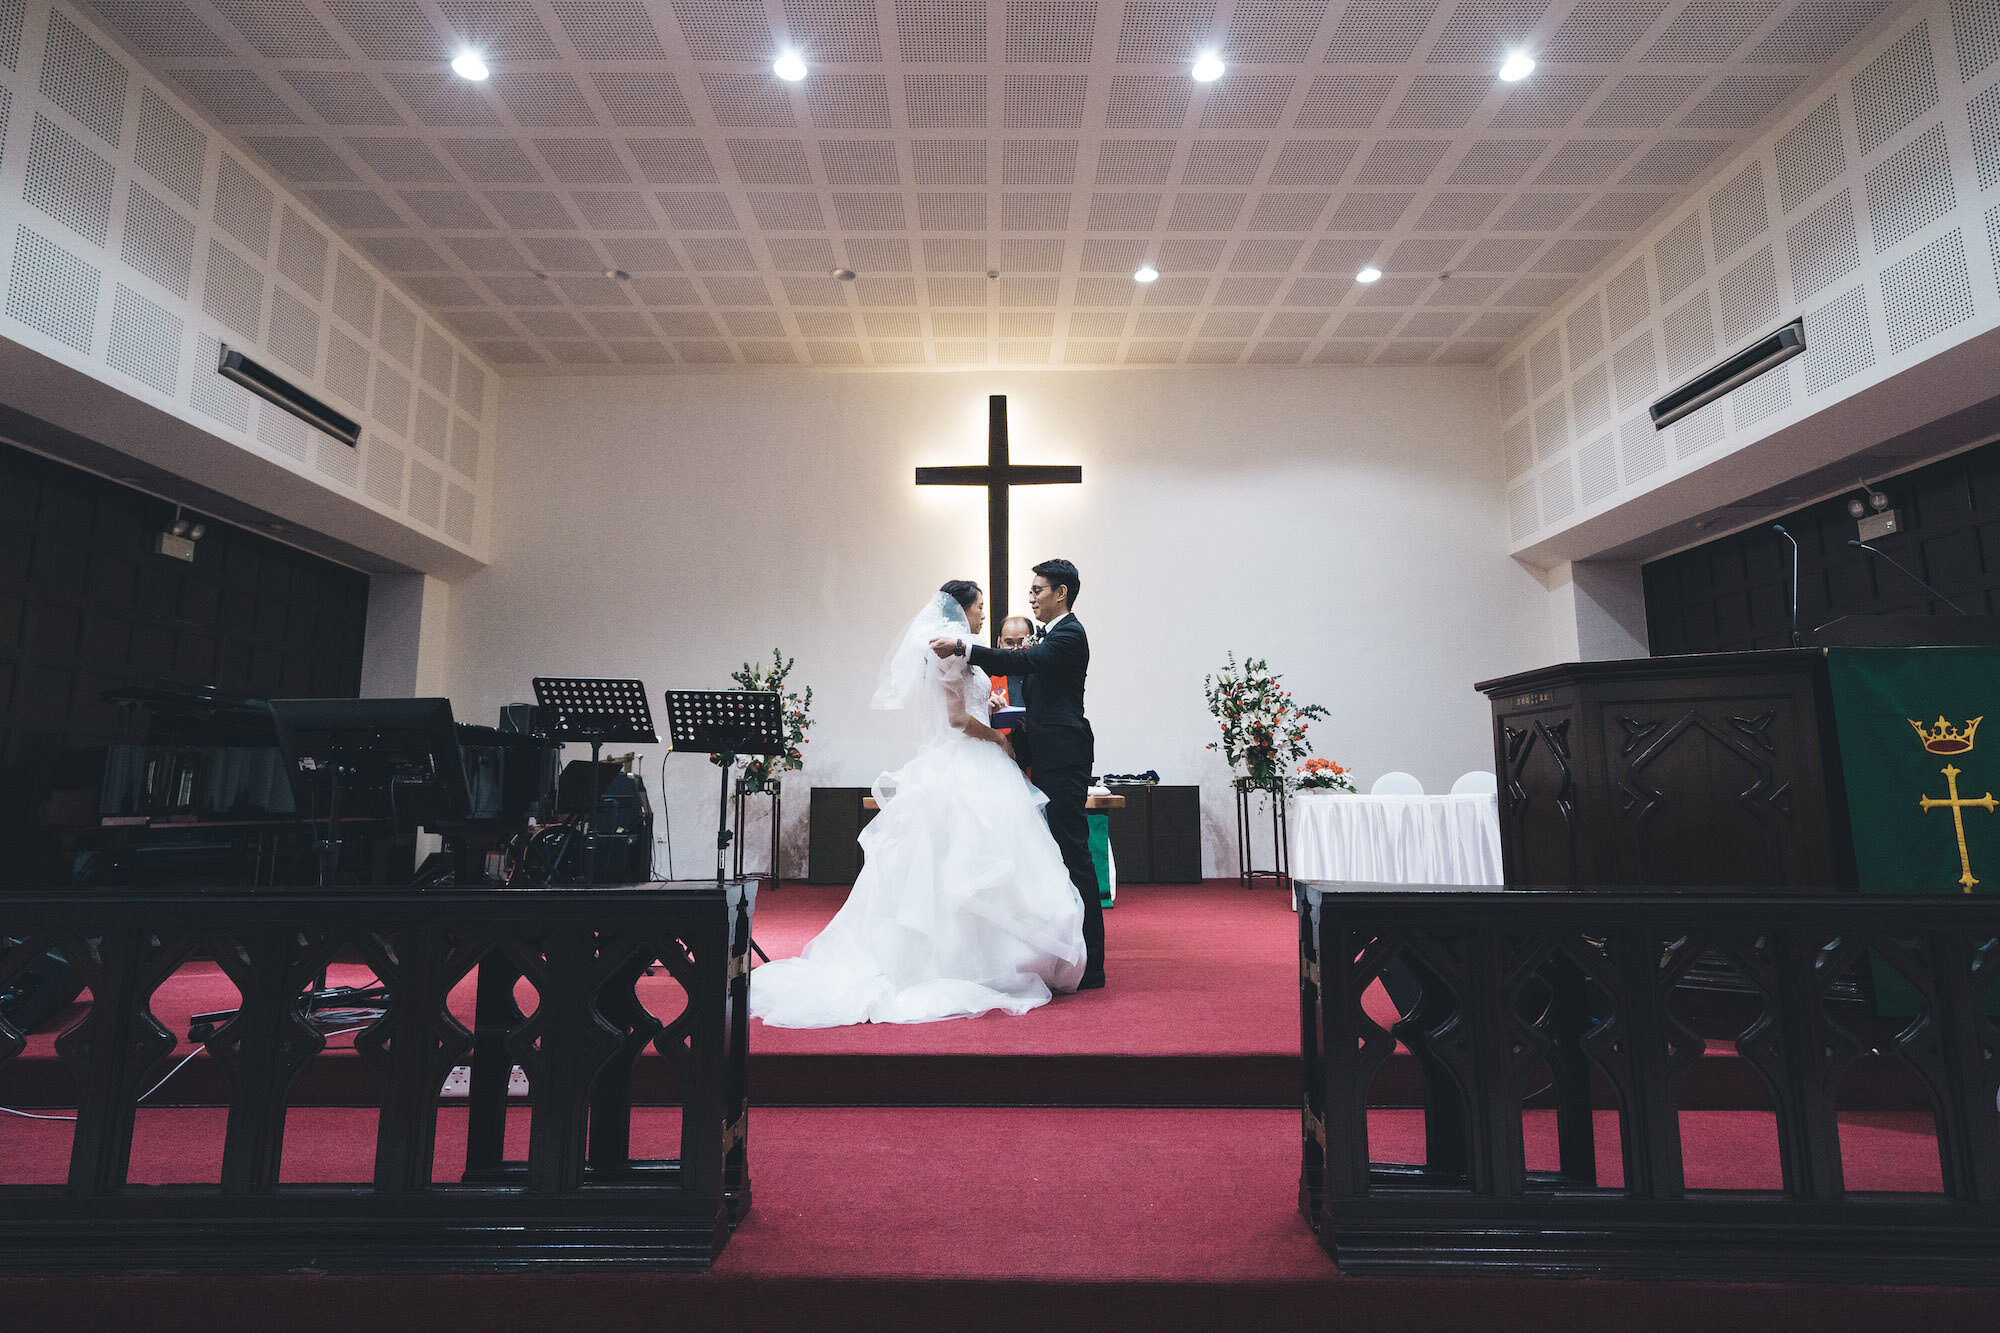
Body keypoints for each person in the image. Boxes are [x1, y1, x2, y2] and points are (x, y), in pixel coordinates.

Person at [748, 580, 1086, 1027]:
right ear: (961, 612)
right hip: (971, 761)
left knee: (960, 863)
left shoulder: (953, 651)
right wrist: (999, 737)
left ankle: (975, 953)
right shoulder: (949, 652)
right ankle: (972, 962)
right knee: (975, 860)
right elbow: (958, 718)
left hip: (963, 762)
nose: (984, 615)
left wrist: (991, 708)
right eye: (980, 608)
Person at [932, 558, 1104, 989]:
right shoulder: (1053, 633)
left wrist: (963, 648)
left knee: (1073, 855)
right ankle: (1057, 954)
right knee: (1048, 857)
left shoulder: (1069, 632)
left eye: (1038, 590)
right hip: (1043, 753)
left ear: (1061, 593)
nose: (1032, 597)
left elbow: (1025, 664)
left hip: (1064, 757)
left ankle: (1092, 963)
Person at [988, 614, 1035, 709]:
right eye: (1009, 643)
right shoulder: (987, 678)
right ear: (999, 642)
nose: (1015, 649)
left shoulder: (1044, 675)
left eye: (1022, 642)